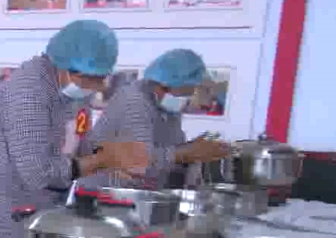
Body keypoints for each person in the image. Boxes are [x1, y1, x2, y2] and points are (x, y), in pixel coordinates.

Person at [0, 20, 149, 238]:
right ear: (63, 66)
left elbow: (78, 143)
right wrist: (102, 160)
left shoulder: (74, 91)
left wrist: (111, 157)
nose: (97, 87)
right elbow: (37, 172)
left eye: (101, 78)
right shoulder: (28, 91)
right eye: (90, 78)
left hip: (41, 209)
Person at [78, 48, 233, 189]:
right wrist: (188, 153)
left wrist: (197, 148)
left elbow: (169, 148)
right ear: (162, 85)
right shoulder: (135, 101)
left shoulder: (168, 106)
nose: (187, 97)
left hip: (139, 194)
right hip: (103, 194)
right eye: (186, 90)